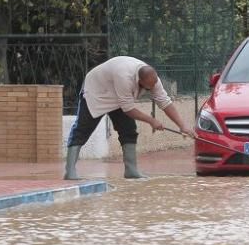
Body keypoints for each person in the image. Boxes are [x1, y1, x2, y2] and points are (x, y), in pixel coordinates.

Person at [64, 56, 196, 180]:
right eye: (147, 88)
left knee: (129, 130)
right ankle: (70, 171)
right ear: (140, 81)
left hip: (118, 97)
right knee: (82, 129)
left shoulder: (153, 80)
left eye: (152, 87)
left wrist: (182, 125)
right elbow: (128, 109)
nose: (150, 90)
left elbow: (165, 102)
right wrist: (151, 120)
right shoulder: (124, 76)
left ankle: (131, 170)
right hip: (97, 92)